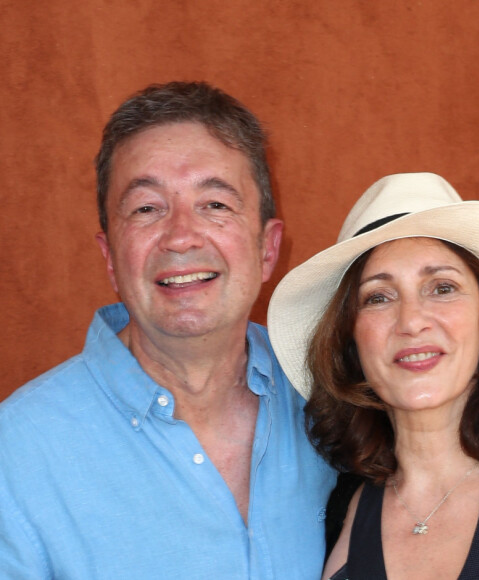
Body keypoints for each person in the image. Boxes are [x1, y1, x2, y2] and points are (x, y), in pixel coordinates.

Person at [0, 81, 335, 579]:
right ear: (110, 258)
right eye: (146, 209)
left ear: (268, 249)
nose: (181, 237)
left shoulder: (336, 402)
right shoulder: (15, 454)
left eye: (215, 205)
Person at [267, 172, 479, 579]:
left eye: (442, 288)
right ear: (352, 344)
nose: (411, 321)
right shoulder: (327, 520)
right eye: (379, 297)